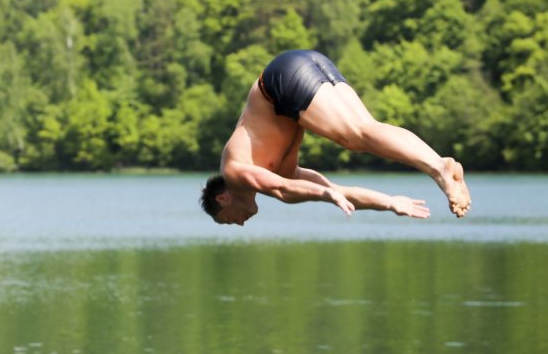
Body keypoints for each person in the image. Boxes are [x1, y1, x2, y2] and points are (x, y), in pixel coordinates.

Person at [200, 49, 471, 225]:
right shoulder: (288, 174)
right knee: (367, 129)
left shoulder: (235, 171)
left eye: (228, 220)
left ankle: (440, 170)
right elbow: (341, 191)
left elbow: (285, 190)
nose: (240, 223)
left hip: (279, 83)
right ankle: (439, 164)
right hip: (305, 63)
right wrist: (389, 203)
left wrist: (325, 195)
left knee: (355, 137)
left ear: (222, 199)